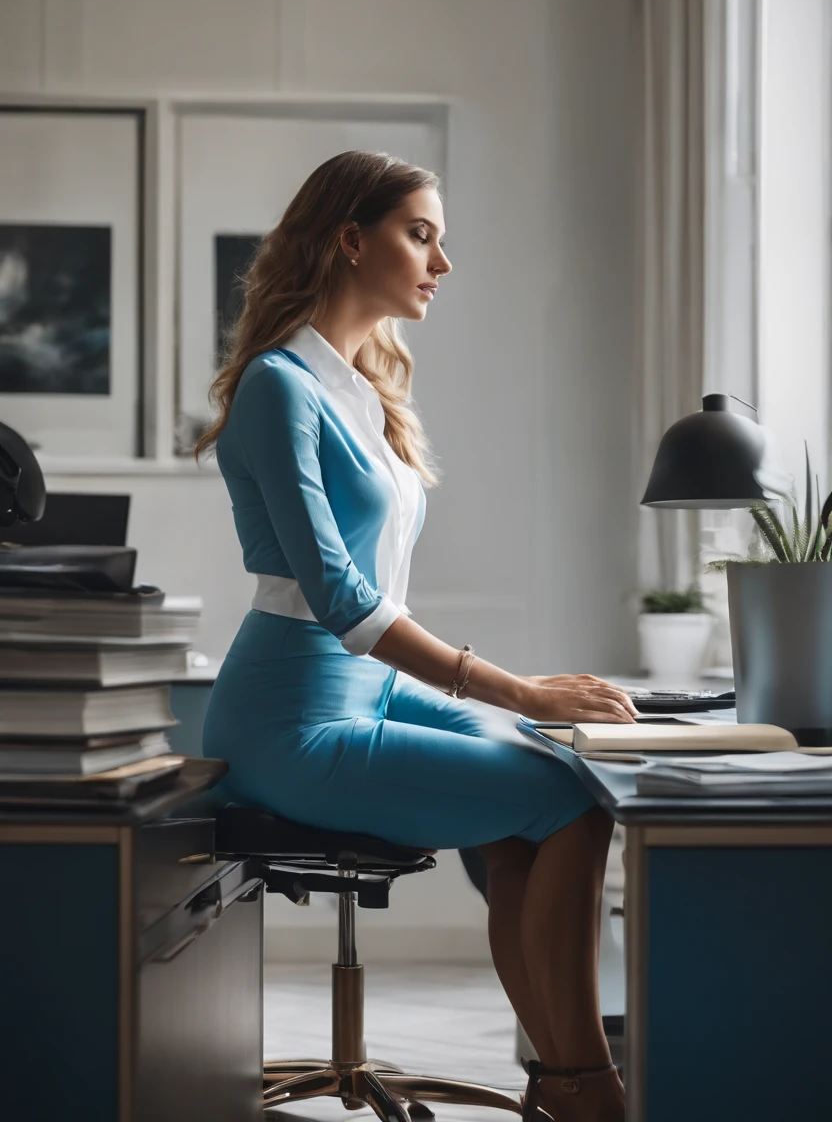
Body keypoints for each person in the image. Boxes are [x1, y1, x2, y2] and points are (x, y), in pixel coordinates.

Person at [195, 150, 635, 1122]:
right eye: (421, 233)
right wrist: (517, 688)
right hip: (289, 720)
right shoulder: (281, 386)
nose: (443, 260)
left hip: (364, 693)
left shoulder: (360, 388)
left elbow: (372, 591)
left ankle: (557, 1077)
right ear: (351, 239)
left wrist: (531, 703)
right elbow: (342, 597)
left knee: (562, 781)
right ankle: (582, 1084)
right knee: (566, 803)